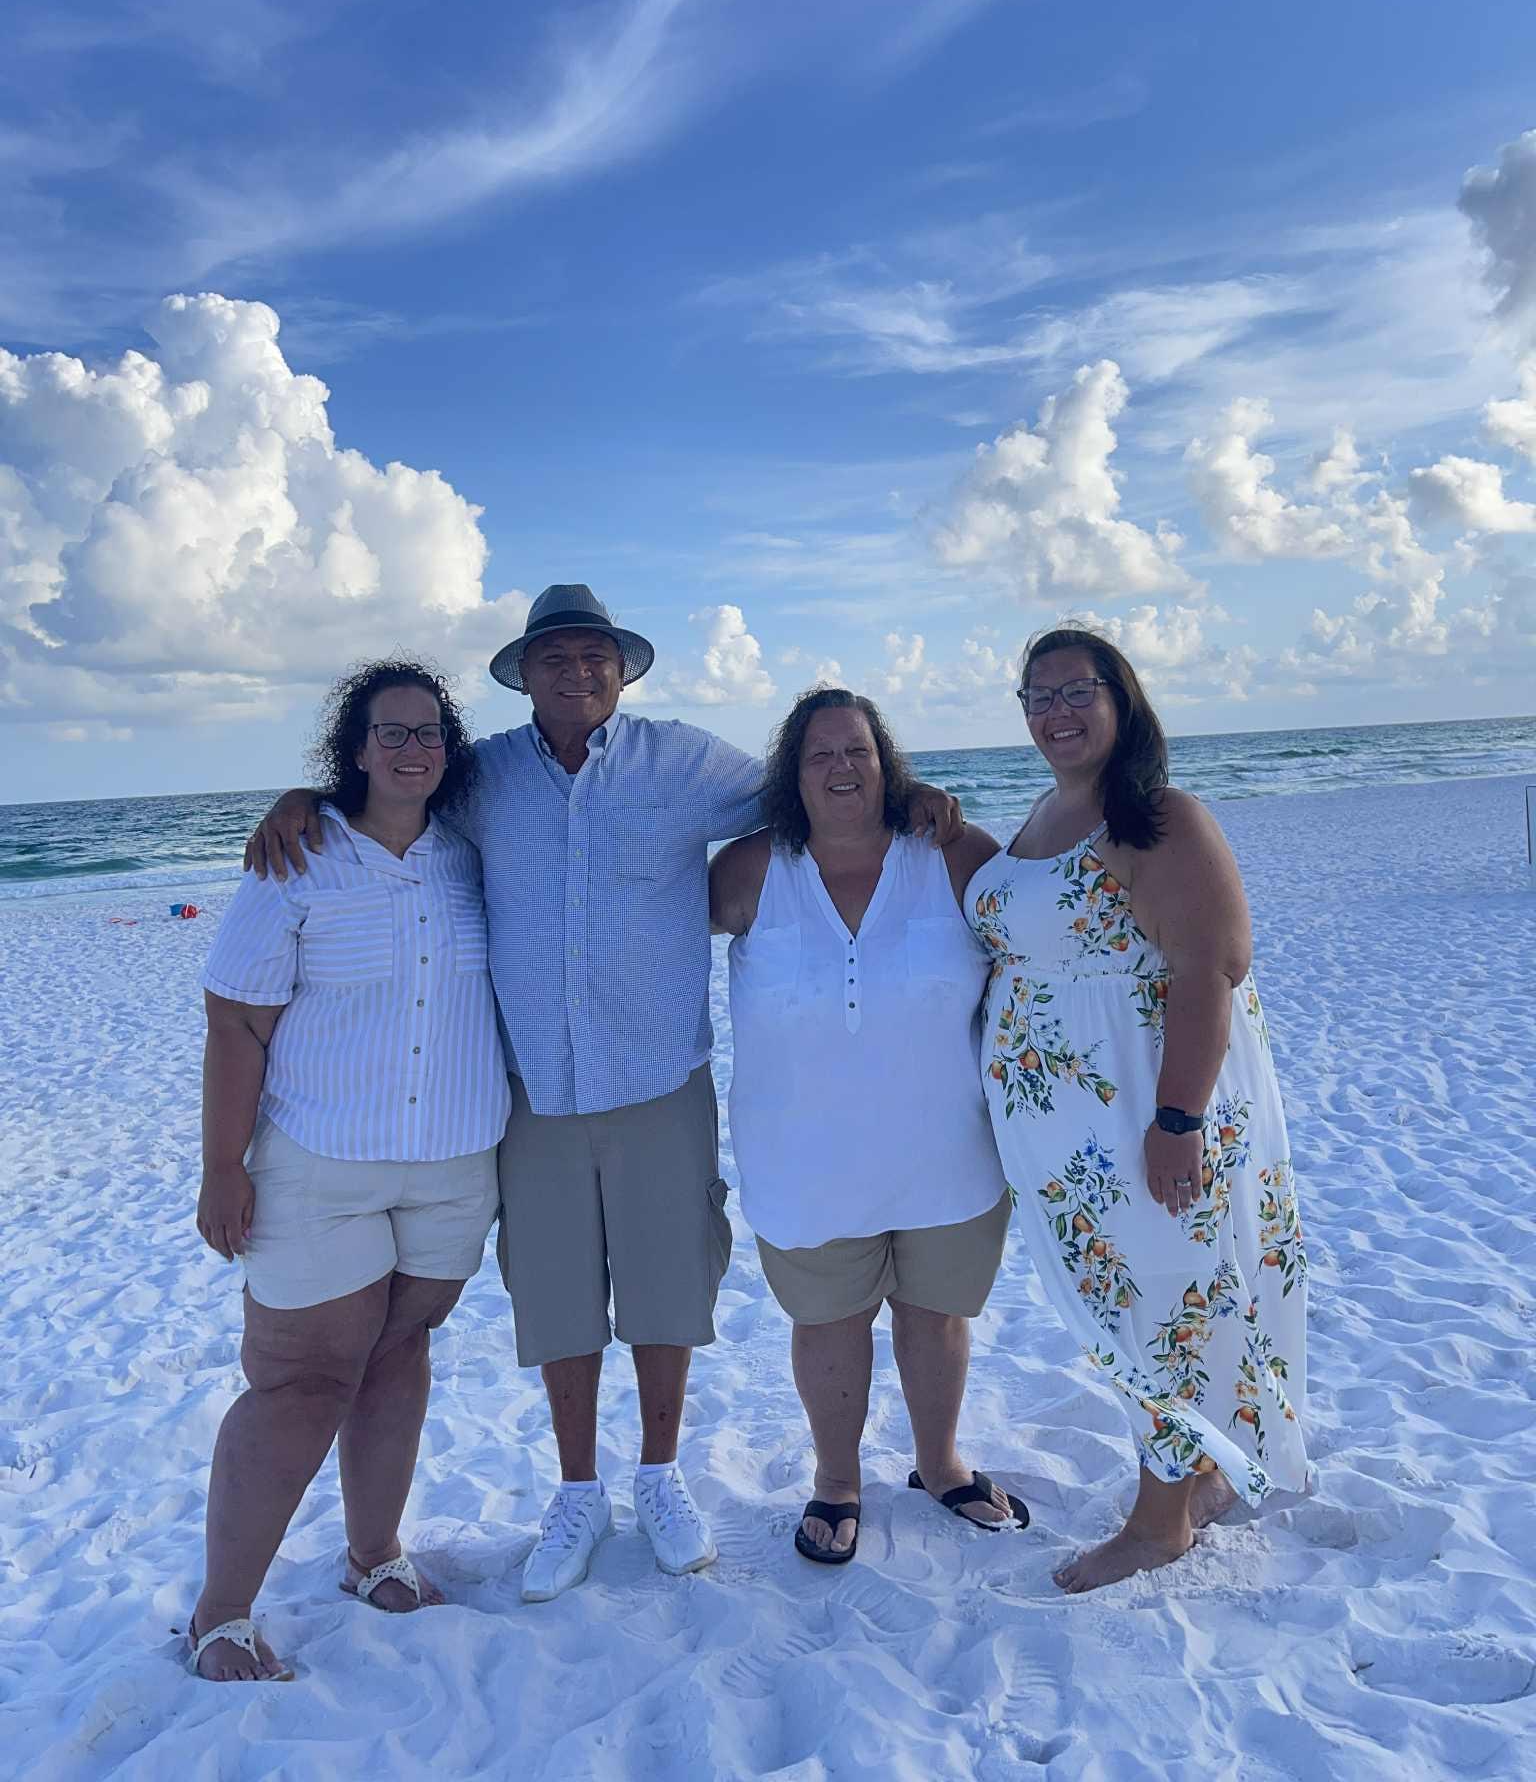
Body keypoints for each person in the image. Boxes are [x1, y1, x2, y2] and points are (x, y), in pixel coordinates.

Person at [245, 587, 963, 1603]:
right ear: (524, 675)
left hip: (660, 1077)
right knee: (557, 1297)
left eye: (595, 657)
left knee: (668, 1288)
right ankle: (577, 1489)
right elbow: (389, 796)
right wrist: (303, 802)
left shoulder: (684, 761)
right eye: (555, 658)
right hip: (531, 1088)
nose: (576, 673)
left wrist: (912, 795)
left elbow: (812, 786)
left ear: (622, 671)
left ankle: (661, 1475)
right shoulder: (484, 774)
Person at [967, 627, 1309, 1592]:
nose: (1056, 713)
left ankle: (1160, 1525)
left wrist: (1177, 1123)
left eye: (1077, 691)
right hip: (1070, 1134)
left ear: (1122, 700)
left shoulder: (1160, 818)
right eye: (1037, 697)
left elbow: (1212, 971)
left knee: (1160, 1303)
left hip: (1142, 1116)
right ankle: (1200, 1476)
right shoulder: (1046, 811)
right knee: (1133, 1297)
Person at [190, 662, 505, 1681]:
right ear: (357, 748)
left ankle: (373, 1553)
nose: (413, 749)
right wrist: (221, 1165)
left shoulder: (474, 853)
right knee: (301, 1381)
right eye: (392, 732)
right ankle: (221, 1612)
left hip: (454, 1163)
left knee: (400, 1351)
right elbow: (236, 1020)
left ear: (449, 749)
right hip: (319, 1164)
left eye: (429, 732)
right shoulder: (300, 857)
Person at [710, 689, 1026, 1564]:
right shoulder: (750, 870)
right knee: (828, 1324)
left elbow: (1045, 948)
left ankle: (940, 1464)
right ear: (792, 773)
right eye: (819, 754)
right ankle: (838, 1479)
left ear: (887, 763)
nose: (840, 768)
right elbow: (642, 936)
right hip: (803, 1162)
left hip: (949, 1153)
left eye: (857, 750)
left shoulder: (953, 854)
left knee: (937, 1317)